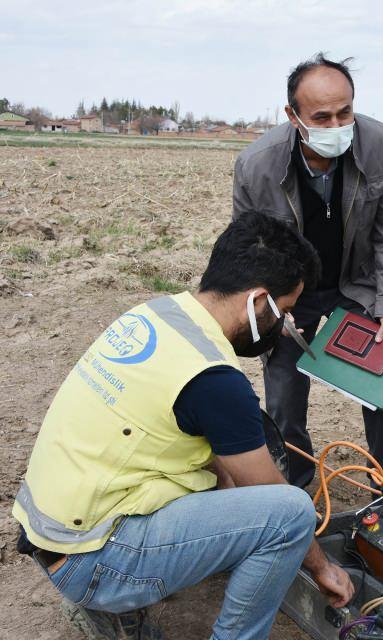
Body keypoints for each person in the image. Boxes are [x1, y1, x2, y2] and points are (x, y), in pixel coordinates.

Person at [12, 213, 354, 640]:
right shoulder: (213, 379)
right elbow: (273, 499)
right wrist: (322, 567)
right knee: (292, 513)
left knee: (229, 462)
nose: (283, 325)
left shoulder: (156, 315)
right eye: (284, 311)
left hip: (49, 533)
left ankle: (115, 612)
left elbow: (204, 449)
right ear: (258, 300)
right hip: (91, 561)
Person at [232, 53, 383, 489]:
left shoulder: (379, 143)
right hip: (291, 291)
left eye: (344, 112)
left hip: (355, 283)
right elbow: (247, 249)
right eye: (322, 117)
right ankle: (296, 484)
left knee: (382, 379)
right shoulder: (257, 165)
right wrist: (272, 307)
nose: (336, 126)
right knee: (285, 393)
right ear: (293, 116)